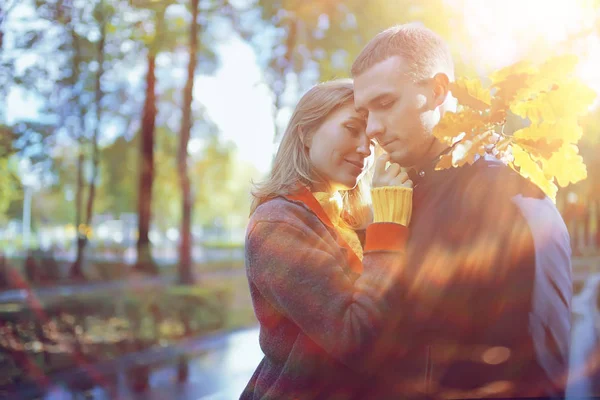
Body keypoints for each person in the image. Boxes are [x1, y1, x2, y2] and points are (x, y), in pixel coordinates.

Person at [350, 23, 572, 398]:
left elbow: (537, 373)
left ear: (438, 91)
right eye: (364, 113)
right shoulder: (399, 202)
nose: (371, 128)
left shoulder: (513, 203)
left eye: (385, 104)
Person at [241, 79, 414, 399]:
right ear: (305, 133)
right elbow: (355, 338)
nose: (365, 148)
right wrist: (389, 227)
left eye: (370, 140)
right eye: (351, 128)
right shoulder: (276, 224)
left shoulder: (350, 223)